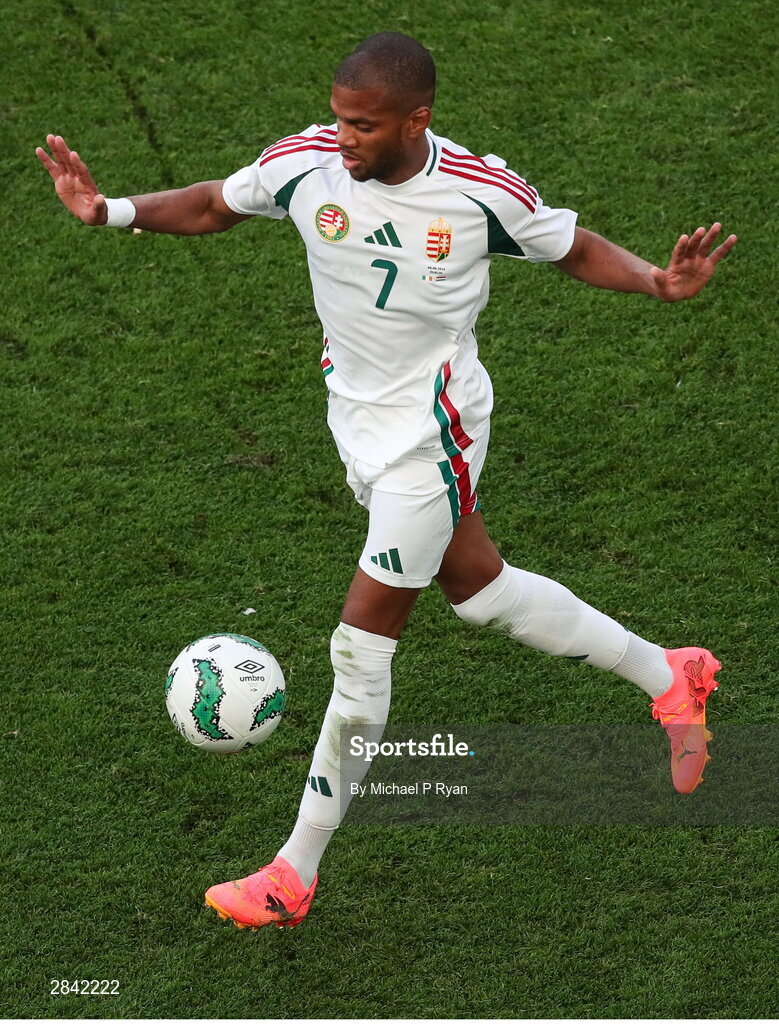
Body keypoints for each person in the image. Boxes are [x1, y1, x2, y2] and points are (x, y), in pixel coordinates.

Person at [37, 31, 736, 931]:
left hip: (432, 439)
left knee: (359, 649)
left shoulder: (478, 193)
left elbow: (569, 247)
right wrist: (109, 211)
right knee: (478, 591)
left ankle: (293, 871)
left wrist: (655, 282)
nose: (344, 139)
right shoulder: (307, 166)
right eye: (338, 119)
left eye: (363, 126)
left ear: (416, 121)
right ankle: (671, 674)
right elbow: (214, 203)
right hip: (358, 428)